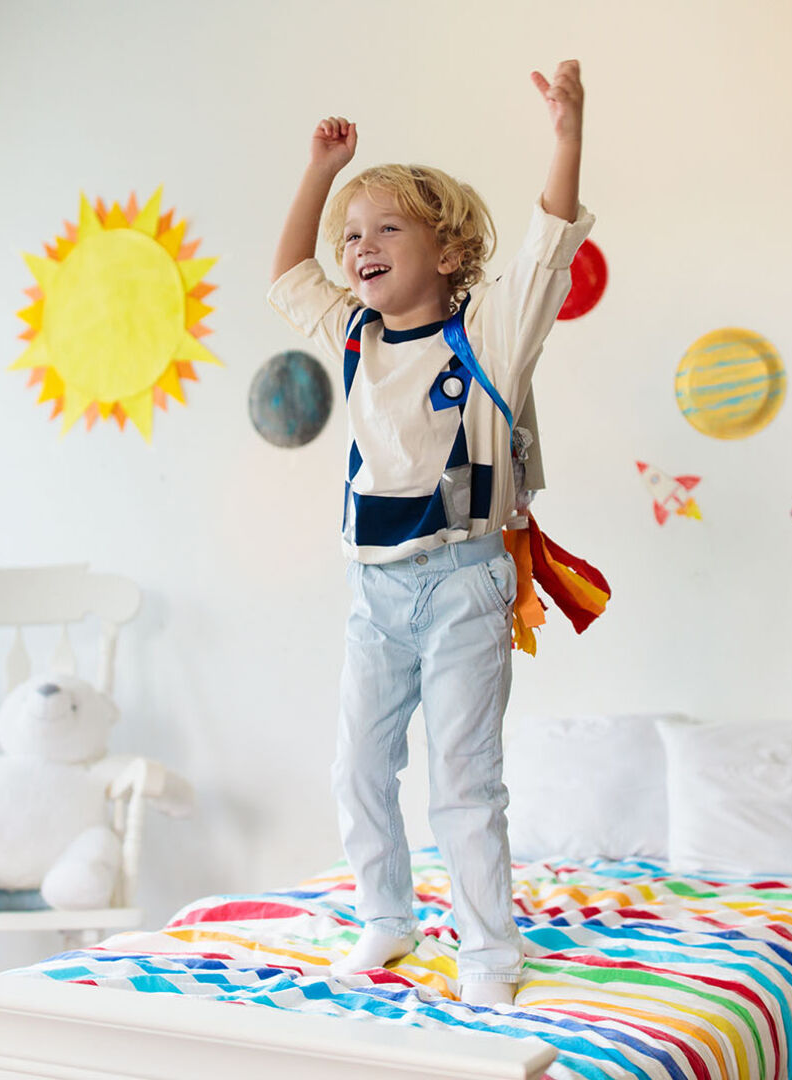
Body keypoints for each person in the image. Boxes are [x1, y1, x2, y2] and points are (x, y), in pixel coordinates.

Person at [266, 60, 591, 1008]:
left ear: (447, 254)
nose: (359, 247)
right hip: (374, 589)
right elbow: (289, 272)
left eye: (385, 230)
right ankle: (386, 915)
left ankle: (489, 948)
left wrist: (565, 136)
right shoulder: (358, 336)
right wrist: (322, 172)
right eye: (352, 236)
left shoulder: (488, 334)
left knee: (462, 776)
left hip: (464, 582)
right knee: (358, 764)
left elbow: (544, 249)